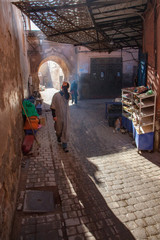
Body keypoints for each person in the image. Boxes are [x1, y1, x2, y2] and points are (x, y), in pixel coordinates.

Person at [50, 81, 70, 152]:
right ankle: (58, 136)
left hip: (66, 116)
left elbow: (68, 97)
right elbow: (52, 106)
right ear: (61, 87)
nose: (64, 88)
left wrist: (66, 92)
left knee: (65, 130)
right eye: (64, 87)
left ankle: (64, 145)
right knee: (58, 129)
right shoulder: (56, 95)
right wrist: (54, 115)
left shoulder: (67, 95)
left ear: (67, 88)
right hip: (58, 116)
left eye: (66, 87)